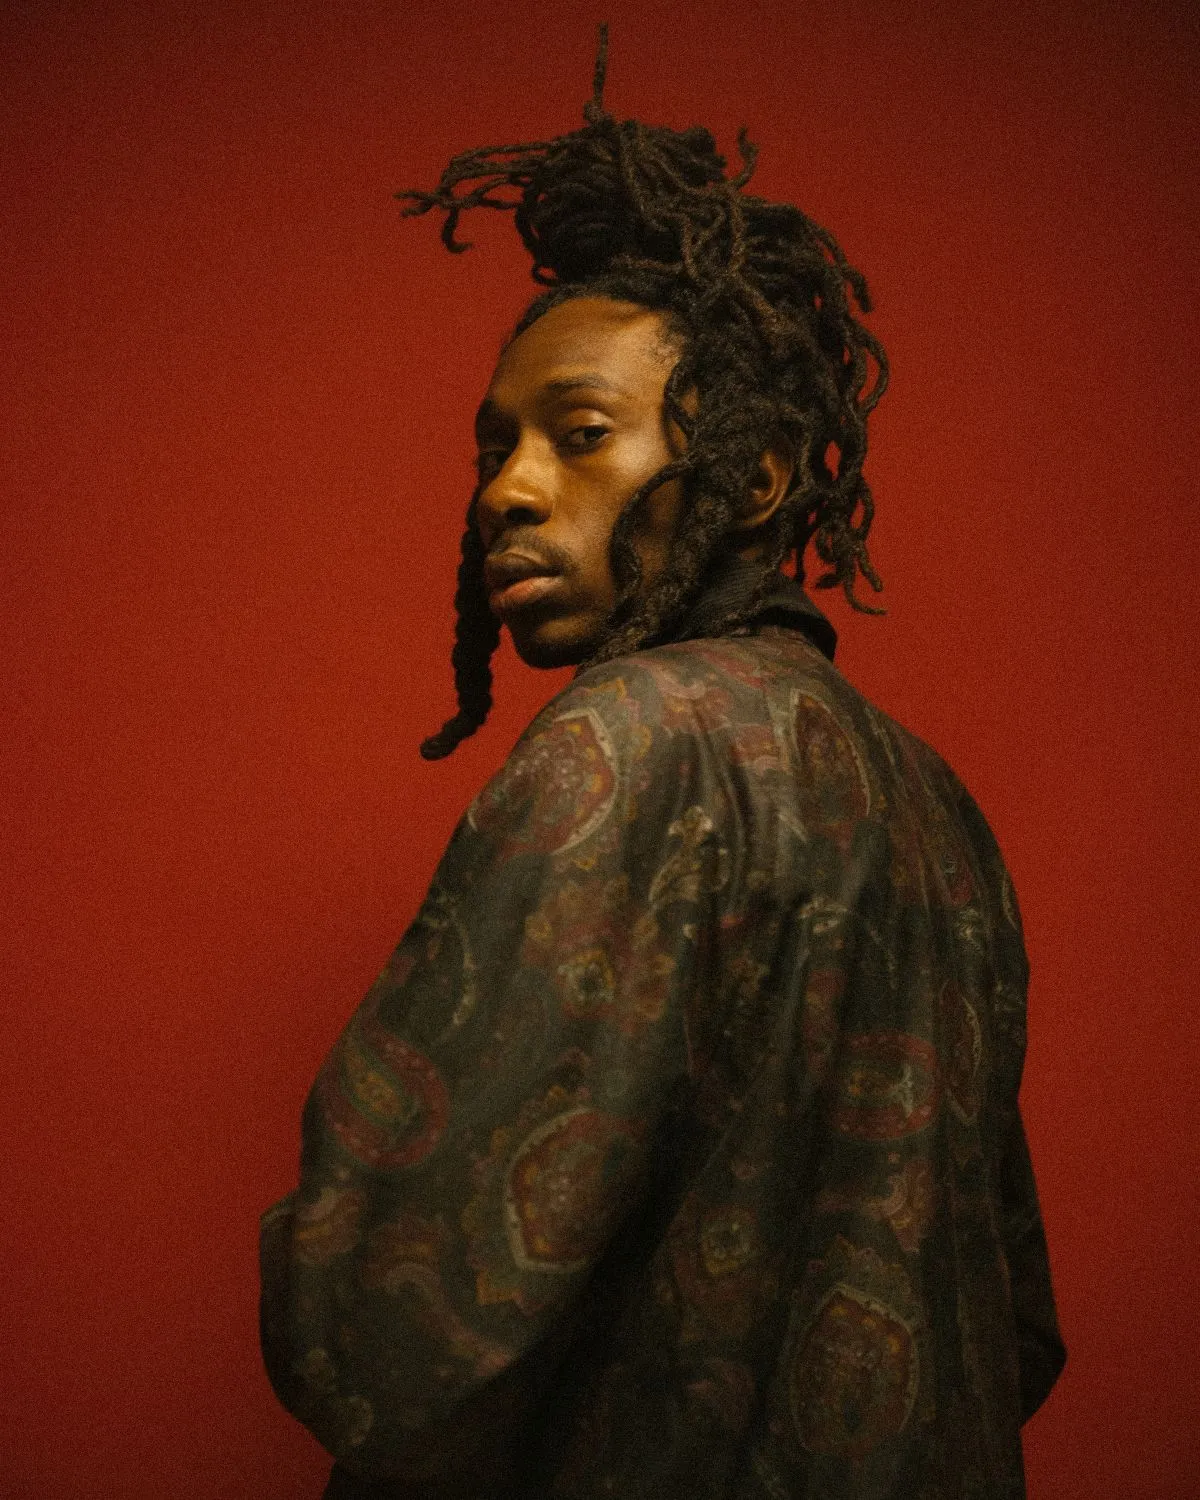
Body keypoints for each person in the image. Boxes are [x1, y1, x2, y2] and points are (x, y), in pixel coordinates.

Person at [260, 32, 1064, 1499]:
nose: (508, 491)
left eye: (580, 436)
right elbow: (1012, 1322)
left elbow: (389, 1325)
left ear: (753, 477)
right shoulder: (940, 807)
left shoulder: (632, 740)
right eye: (497, 447)